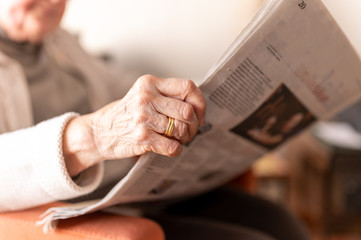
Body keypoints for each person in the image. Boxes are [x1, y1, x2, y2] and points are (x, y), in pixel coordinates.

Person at [0, 0, 310, 239]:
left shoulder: (59, 43)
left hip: (134, 186)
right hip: (84, 214)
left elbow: (118, 87)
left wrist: (203, 94)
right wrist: (94, 135)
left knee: (280, 222)